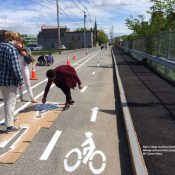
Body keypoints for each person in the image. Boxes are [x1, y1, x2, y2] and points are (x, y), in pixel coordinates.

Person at [0, 31, 24, 132]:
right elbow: (15, 67)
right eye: (18, 40)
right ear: (15, 39)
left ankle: (7, 121)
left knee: (6, 102)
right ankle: (9, 126)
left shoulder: (1, 46)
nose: (18, 42)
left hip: (1, 79)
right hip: (9, 80)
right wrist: (21, 80)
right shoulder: (12, 49)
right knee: (10, 102)